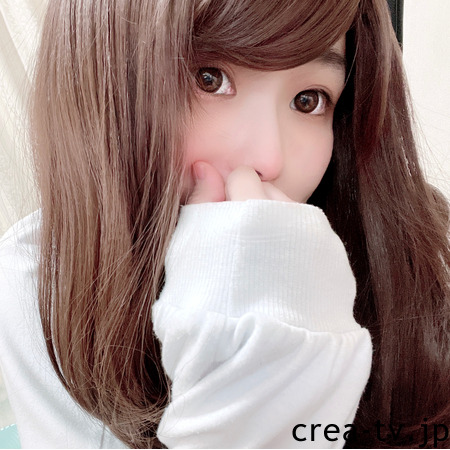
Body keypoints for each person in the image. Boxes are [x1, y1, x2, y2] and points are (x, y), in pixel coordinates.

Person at [0, 0, 449, 448]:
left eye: (308, 100)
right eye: (209, 78)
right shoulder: (38, 279)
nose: (268, 158)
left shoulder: (421, 250)